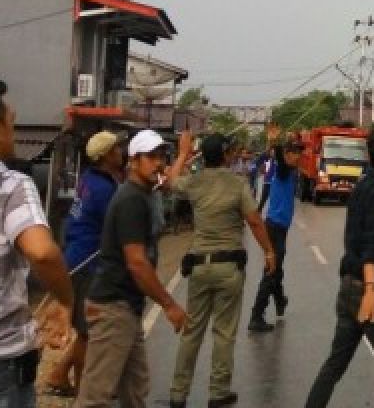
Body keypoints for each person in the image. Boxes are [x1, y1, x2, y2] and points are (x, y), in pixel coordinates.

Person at [74, 130, 190, 408]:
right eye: (151, 157)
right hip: (113, 306)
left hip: (127, 305)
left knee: (135, 387)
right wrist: (169, 304)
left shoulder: (142, 192)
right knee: (96, 396)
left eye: (162, 156)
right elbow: (136, 262)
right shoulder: (131, 200)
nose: (158, 163)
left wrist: (183, 155)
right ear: (134, 161)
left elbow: (167, 182)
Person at [168, 133, 276, 408]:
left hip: (199, 266)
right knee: (224, 332)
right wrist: (268, 251)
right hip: (229, 267)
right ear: (227, 155)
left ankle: (178, 393)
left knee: (192, 331)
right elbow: (254, 220)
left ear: (203, 156)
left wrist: (182, 154)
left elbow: (169, 181)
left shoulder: (194, 182)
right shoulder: (238, 184)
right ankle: (218, 392)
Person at [305, 123, 374, 407]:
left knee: (334, 365)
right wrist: (372, 290)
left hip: (348, 287)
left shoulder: (362, 186)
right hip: (369, 289)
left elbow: (356, 238)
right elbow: (372, 245)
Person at [0, 79, 74, 408]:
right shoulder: (9, 184)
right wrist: (64, 299)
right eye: (12, 123)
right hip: (0, 361)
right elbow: (41, 251)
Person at [41, 132, 123, 398]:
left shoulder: (88, 180)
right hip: (88, 264)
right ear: (108, 155)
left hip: (74, 258)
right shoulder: (104, 190)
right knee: (90, 332)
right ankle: (80, 387)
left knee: (85, 330)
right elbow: (117, 229)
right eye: (117, 148)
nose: (121, 152)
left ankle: (63, 375)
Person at [248, 141, 302, 333]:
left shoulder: (292, 171)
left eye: (299, 153)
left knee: (276, 270)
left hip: (280, 228)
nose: (297, 156)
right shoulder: (283, 170)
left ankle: (280, 300)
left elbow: (269, 190)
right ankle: (256, 316)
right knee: (271, 271)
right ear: (286, 154)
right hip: (275, 228)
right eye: (294, 152)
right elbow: (279, 158)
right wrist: (277, 143)